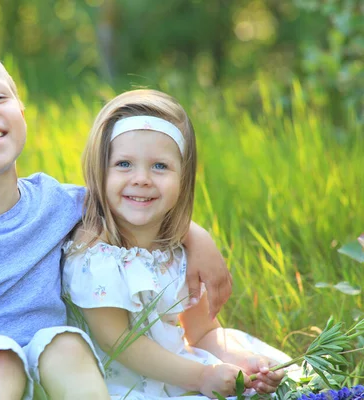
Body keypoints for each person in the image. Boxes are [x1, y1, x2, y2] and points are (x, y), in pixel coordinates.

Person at [0, 40, 233, 399]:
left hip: (44, 364)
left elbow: (132, 209)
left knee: (66, 342)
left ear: (21, 111)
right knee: (0, 359)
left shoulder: (56, 203)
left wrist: (197, 238)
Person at [62, 89, 291, 399]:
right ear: (99, 171)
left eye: (160, 166)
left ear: (184, 178)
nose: (141, 178)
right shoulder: (95, 256)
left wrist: (243, 364)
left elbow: (202, 333)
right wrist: (201, 376)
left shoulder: (176, 253)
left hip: (181, 375)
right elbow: (118, 343)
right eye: (124, 164)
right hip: (121, 386)